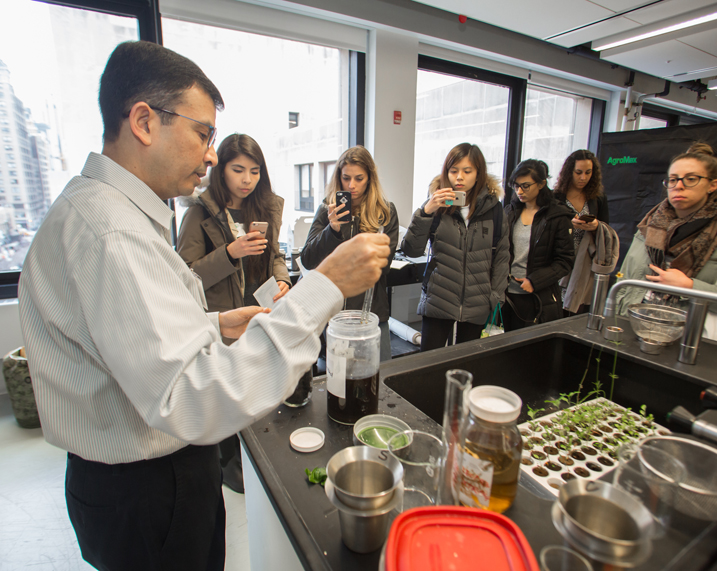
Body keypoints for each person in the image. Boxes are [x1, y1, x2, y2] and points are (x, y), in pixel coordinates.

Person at [18, 41, 389, 571]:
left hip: (138, 477)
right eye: (203, 133)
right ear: (144, 121)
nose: (212, 155)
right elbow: (191, 397)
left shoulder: (107, 214)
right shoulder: (110, 234)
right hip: (147, 487)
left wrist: (212, 324)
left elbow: (134, 336)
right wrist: (325, 286)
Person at [176, 133, 290, 494]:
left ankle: (255, 456)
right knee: (225, 395)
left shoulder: (266, 207)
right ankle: (229, 464)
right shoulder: (200, 211)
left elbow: (276, 254)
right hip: (223, 319)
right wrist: (230, 253)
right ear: (220, 169)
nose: (247, 180)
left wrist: (283, 278)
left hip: (262, 309)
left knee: (256, 386)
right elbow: (186, 274)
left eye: (255, 171)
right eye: (238, 169)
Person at [615, 142, 717, 336]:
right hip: (637, 329)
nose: (679, 186)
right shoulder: (650, 228)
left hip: (694, 340)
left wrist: (692, 287)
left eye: (691, 179)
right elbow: (626, 281)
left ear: (713, 185)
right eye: (673, 180)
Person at [400, 143, 509, 351]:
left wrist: (494, 298)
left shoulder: (494, 209)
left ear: (478, 174)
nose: (459, 177)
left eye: (467, 171)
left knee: (465, 362)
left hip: (478, 301)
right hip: (438, 299)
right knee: (429, 362)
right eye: (453, 171)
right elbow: (411, 250)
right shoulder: (435, 205)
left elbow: (502, 257)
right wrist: (426, 211)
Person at [301, 146, 399, 361]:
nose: (352, 185)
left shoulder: (385, 212)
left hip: (371, 313)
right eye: (346, 178)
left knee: (378, 380)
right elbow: (308, 260)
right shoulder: (327, 209)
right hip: (334, 315)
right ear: (339, 177)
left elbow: (382, 267)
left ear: (370, 178)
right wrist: (332, 230)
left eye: (359, 178)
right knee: (337, 382)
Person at [502, 159, 574, 329]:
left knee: (530, 349)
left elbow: (565, 261)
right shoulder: (510, 211)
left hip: (537, 295)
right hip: (508, 293)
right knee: (507, 346)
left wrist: (535, 281)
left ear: (541, 183)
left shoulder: (557, 216)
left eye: (525, 186)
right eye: (516, 185)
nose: (519, 191)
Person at [553, 149, 614, 314]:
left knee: (578, 308)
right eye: (578, 172)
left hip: (585, 261)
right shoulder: (556, 197)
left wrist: (595, 226)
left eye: (588, 173)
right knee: (556, 307)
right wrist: (566, 223)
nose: (583, 178)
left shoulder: (597, 197)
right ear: (569, 172)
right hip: (560, 259)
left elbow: (606, 229)